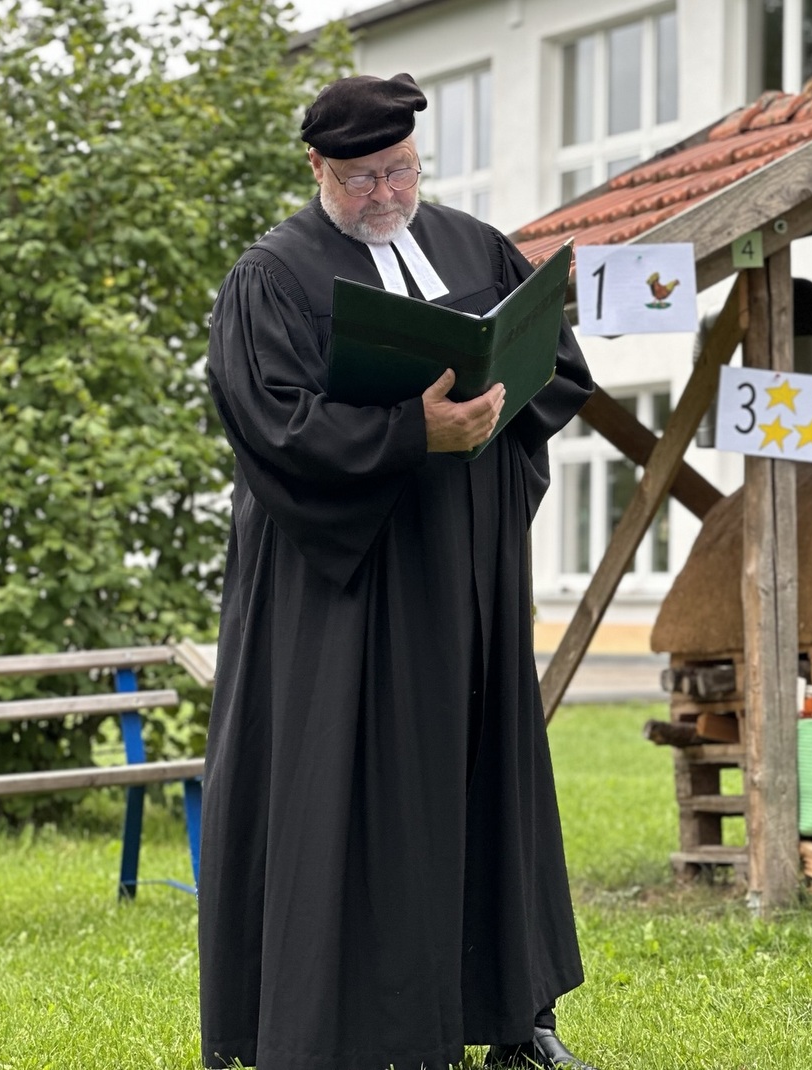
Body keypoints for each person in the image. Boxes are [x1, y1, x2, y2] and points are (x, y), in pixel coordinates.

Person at [198, 73, 599, 1070]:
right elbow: (270, 422)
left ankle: (515, 1014)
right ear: (316, 169)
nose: (383, 193)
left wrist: (497, 402)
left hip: (465, 573)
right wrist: (409, 432)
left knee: (480, 777)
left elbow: (557, 364)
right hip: (347, 587)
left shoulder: (476, 245)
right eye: (359, 177)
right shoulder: (275, 274)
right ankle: (350, 1027)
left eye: (398, 170)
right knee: (354, 788)